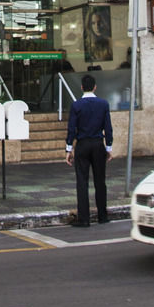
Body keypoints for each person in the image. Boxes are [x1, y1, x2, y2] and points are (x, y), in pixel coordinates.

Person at [64, 74, 113, 226]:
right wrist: (109, 147)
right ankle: (102, 216)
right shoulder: (103, 104)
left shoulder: (76, 105)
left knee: (82, 181)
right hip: (98, 144)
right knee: (100, 181)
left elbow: (72, 128)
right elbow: (108, 127)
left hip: (83, 144)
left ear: (81, 88)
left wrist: (68, 148)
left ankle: (84, 219)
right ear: (95, 87)